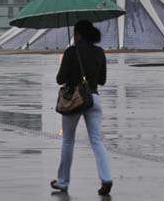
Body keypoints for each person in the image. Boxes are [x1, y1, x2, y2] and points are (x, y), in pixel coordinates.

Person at [51, 20, 112, 195]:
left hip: (74, 100)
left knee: (68, 140)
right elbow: (102, 80)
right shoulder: (100, 52)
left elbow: (60, 79)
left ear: (77, 34)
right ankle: (106, 178)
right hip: (93, 98)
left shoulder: (71, 52)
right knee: (96, 140)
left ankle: (63, 182)